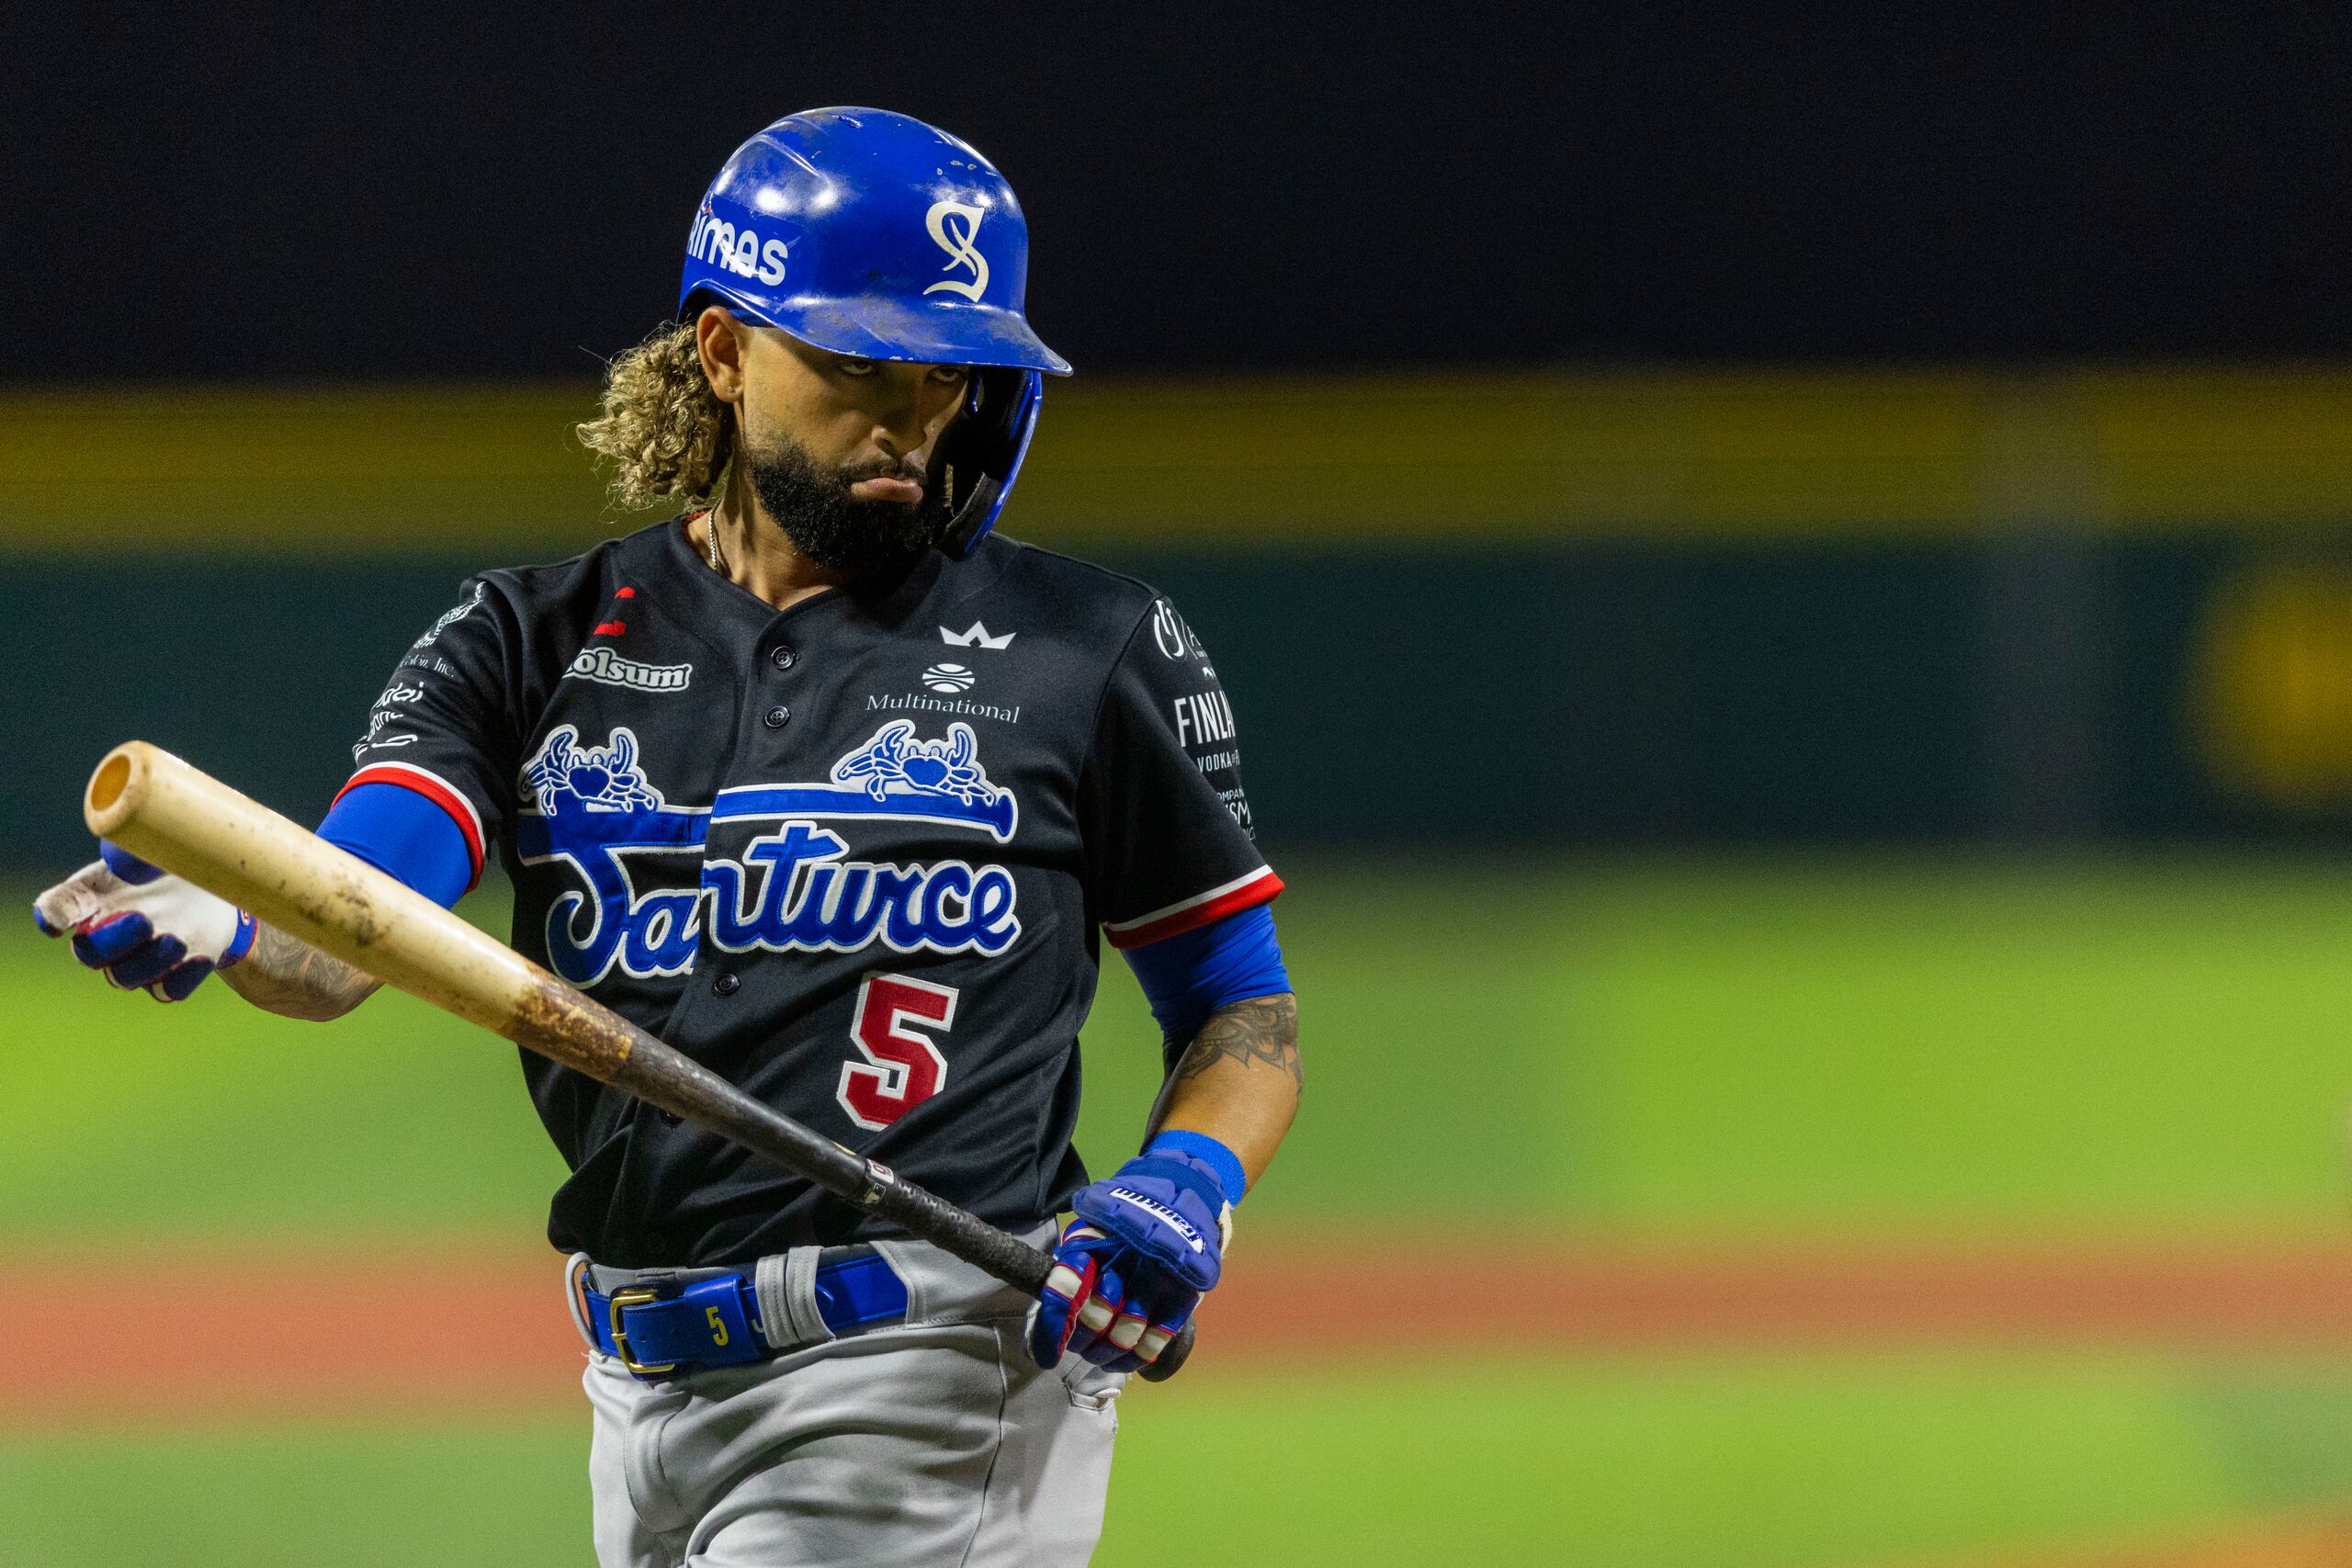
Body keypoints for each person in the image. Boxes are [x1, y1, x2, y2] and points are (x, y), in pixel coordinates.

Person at [32, 107, 1300, 1566]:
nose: (909, 417)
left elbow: (1241, 1008)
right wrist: (246, 914)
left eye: (948, 374)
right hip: (634, 1399)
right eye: (859, 365)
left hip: (928, 1388)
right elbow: (357, 929)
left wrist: (1185, 1185)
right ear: (722, 353)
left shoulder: (1093, 651)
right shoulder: (527, 639)